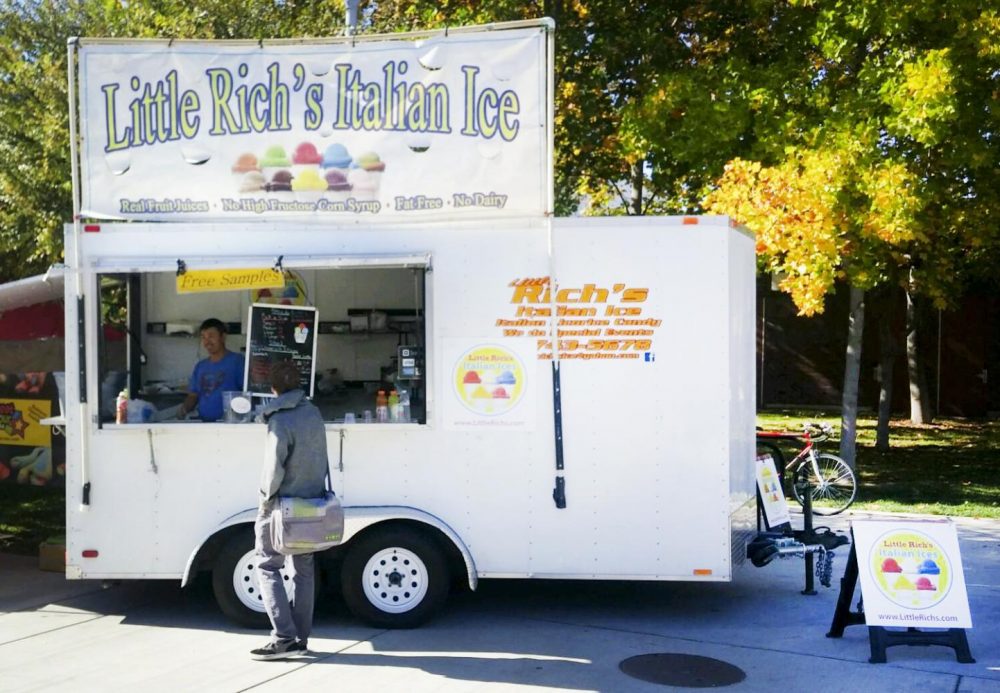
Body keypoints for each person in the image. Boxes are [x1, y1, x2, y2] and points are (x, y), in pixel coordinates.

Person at [251, 360, 329, 661]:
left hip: (280, 507)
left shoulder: (279, 420)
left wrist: (264, 501)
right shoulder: (313, 413)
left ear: (273, 388)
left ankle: (283, 637)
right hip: (310, 504)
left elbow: (273, 471)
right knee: (303, 570)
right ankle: (301, 638)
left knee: (268, 565)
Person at [177, 318, 245, 421]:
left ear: (223, 337)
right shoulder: (200, 366)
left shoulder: (238, 362)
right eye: (203, 337)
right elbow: (193, 395)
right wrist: (184, 409)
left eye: (211, 336)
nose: (207, 342)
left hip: (231, 426)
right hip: (204, 425)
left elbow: (247, 393)